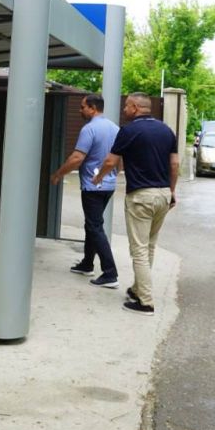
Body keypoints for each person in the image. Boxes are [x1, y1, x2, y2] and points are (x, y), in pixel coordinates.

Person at [93, 92, 178, 316]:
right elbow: (175, 164)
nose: (124, 110)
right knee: (149, 245)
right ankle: (138, 289)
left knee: (139, 250)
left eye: (126, 106)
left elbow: (111, 160)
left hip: (141, 196)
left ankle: (145, 302)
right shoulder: (167, 130)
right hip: (163, 194)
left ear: (134, 107)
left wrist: (99, 177)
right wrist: (172, 191)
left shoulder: (129, 131)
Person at [50, 94, 120, 288]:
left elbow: (77, 158)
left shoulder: (89, 129)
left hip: (92, 186)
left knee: (95, 226)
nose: (80, 110)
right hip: (108, 185)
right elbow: (119, 158)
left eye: (83, 107)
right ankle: (87, 263)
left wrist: (58, 174)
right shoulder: (115, 128)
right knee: (92, 224)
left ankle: (110, 273)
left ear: (93, 108)